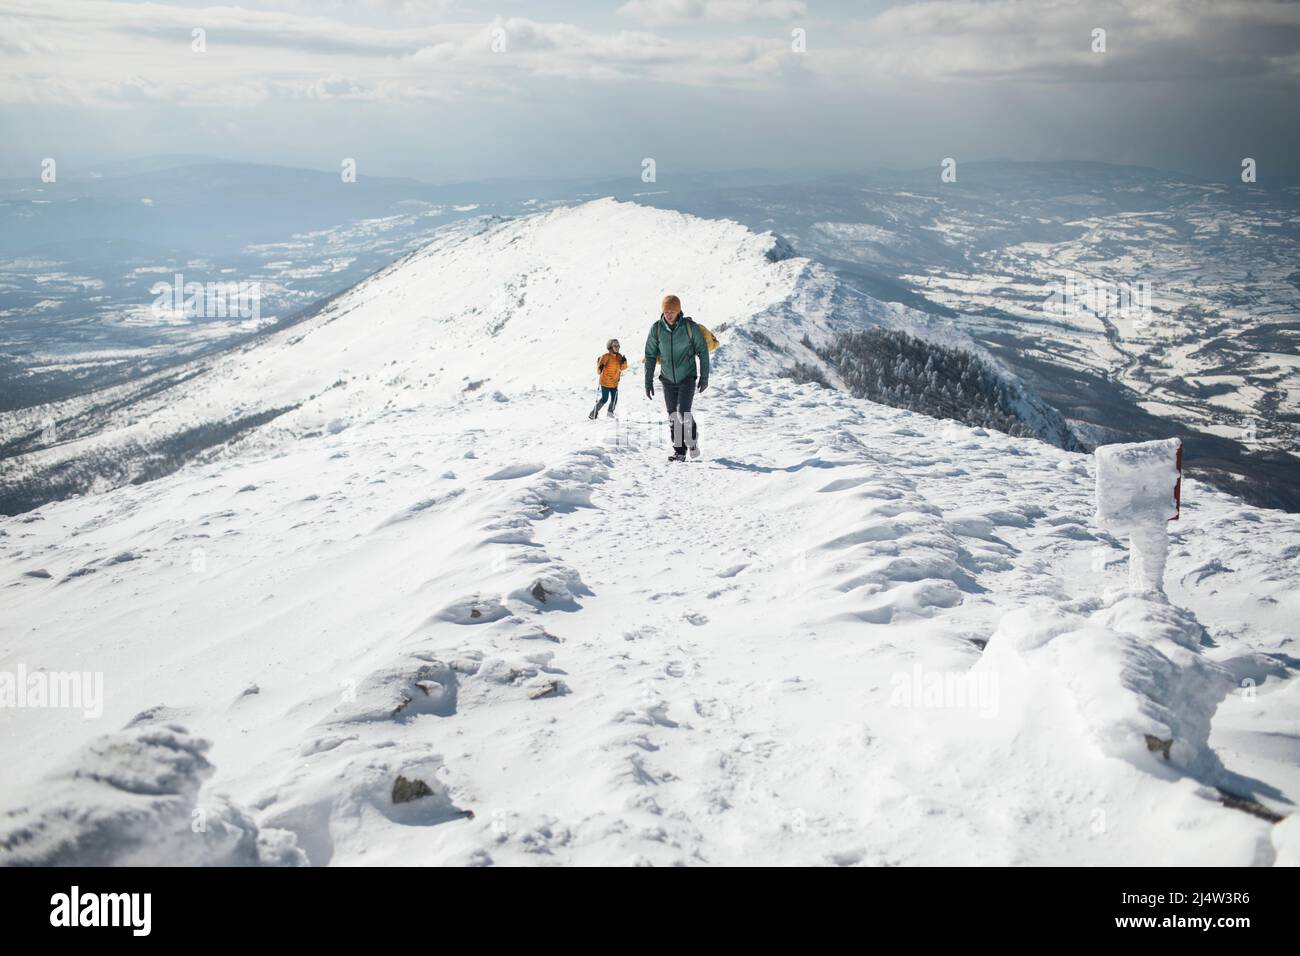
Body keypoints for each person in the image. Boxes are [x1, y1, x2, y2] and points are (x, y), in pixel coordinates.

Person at [644, 294, 709, 461]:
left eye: (672, 311)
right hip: (667, 379)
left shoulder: (689, 327)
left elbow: (702, 350)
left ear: (678, 310)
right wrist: (648, 381)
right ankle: (679, 451)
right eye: (666, 311)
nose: (669, 314)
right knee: (673, 416)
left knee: (682, 412)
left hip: (687, 376)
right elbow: (650, 355)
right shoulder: (656, 329)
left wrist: (704, 377)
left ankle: (692, 441)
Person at [589, 339, 627, 419]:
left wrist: (624, 362)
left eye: (618, 345)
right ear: (610, 347)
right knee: (604, 399)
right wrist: (600, 366)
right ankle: (593, 413)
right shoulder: (605, 356)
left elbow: (623, 368)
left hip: (614, 382)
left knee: (614, 399)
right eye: (615, 346)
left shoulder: (619, 356)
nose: (617, 347)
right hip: (605, 382)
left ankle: (610, 413)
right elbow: (599, 371)